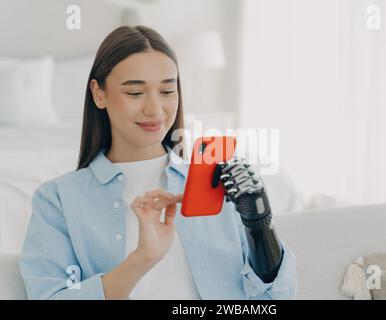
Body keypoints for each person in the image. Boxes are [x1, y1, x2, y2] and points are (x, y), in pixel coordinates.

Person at [19, 25, 297, 300]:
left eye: (166, 91)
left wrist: (260, 224)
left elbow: (272, 299)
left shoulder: (218, 184)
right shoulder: (58, 200)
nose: (154, 110)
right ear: (99, 93)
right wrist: (141, 259)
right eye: (135, 93)